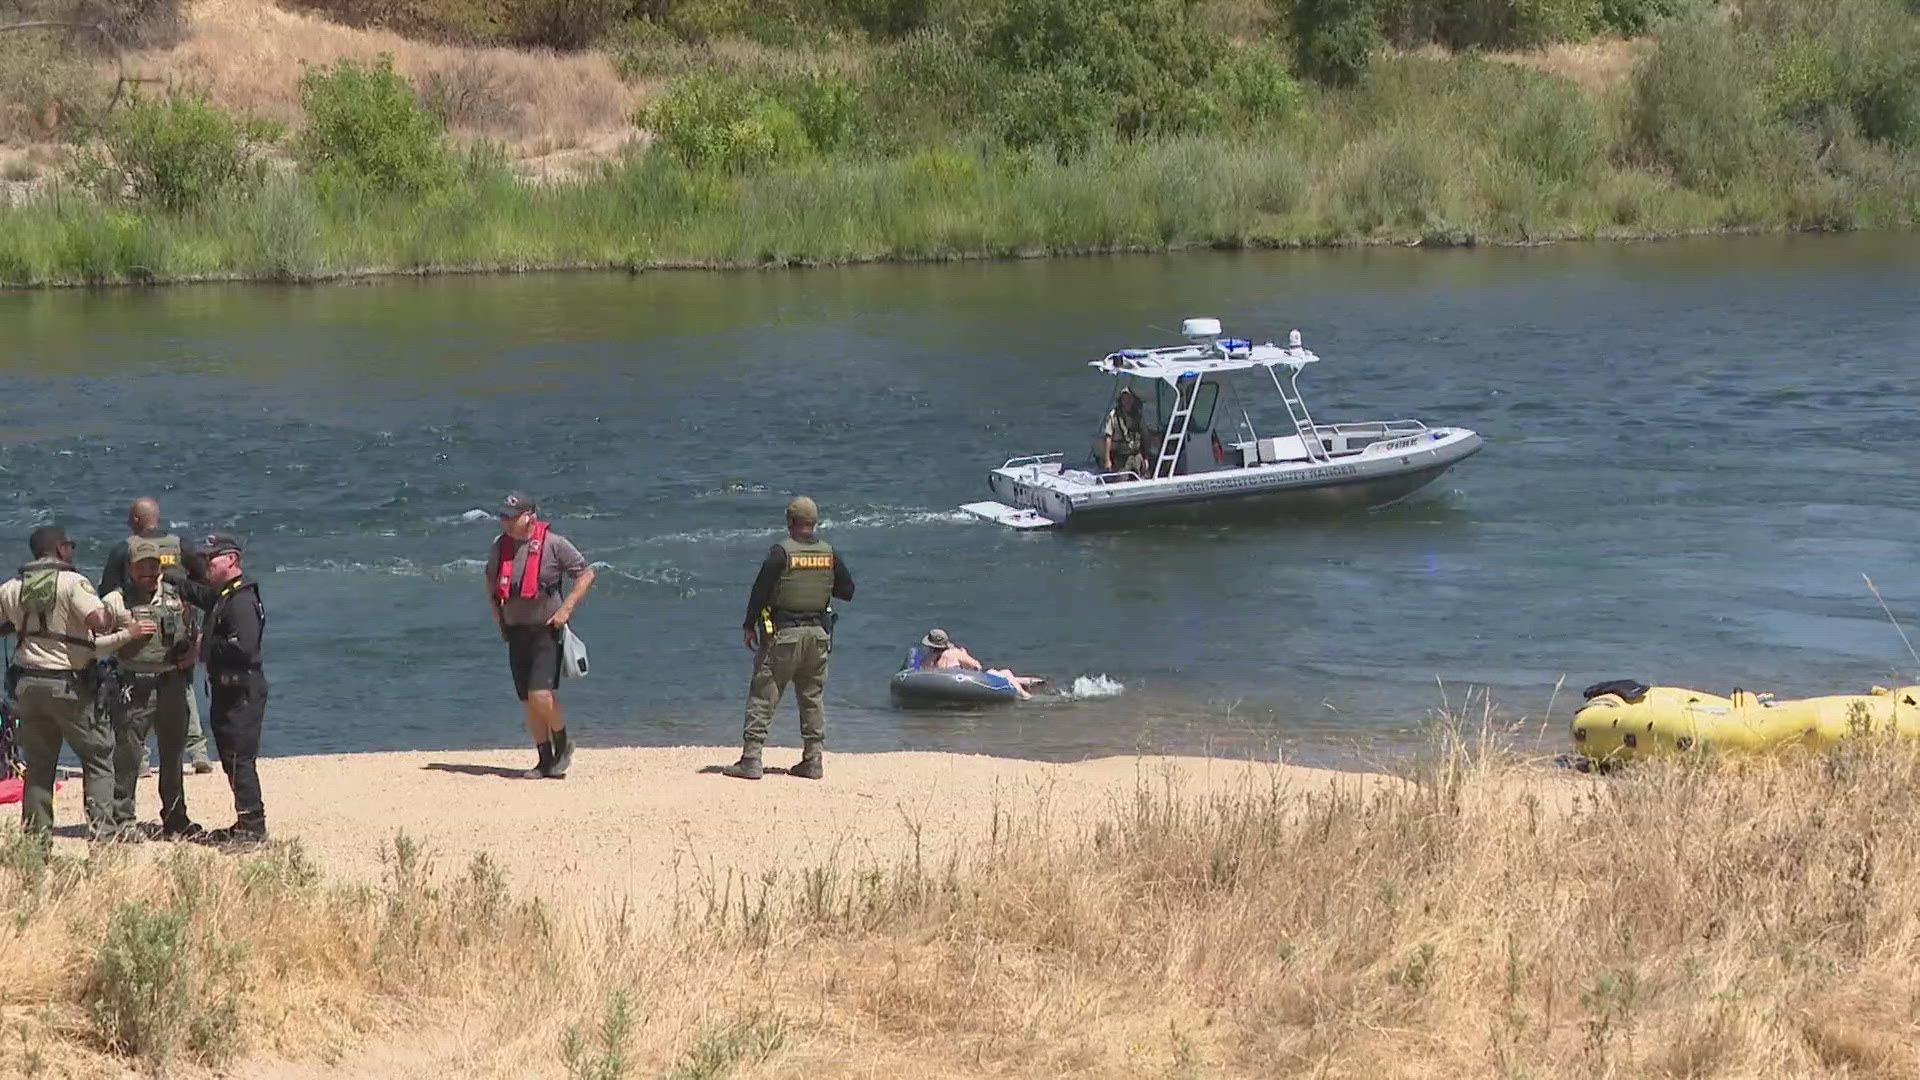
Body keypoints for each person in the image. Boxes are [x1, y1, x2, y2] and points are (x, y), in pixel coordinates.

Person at [0, 526, 127, 845]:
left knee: (39, 769)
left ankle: (35, 845)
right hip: (69, 684)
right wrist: (112, 608)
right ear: (59, 549)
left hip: (27, 685)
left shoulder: (12, 587)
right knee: (98, 759)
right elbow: (99, 623)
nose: (72, 550)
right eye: (70, 545)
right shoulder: (73, 583)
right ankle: (104, 840)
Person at [724, 496, 853, 781]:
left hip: (784, 636)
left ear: (790, 522)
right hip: (819, 636)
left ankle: (752, 759)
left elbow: (759, 592)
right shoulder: (828, 553)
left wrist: (748, 626)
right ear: (814, 523)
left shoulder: (781, 553)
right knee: (812, 698)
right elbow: (847, 590)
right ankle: (813, 759)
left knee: (764, 695)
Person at [485, 492, 594, 780]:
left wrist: (566, 610)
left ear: (529, 516)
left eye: (511, 517)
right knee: (527, 700)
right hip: (515, 630)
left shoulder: (554, 544)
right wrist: (498, 618)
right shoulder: (500, 547)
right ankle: (544, 760)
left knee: (541, 695)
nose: (505, 522)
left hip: (547, 629)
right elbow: (490, 582)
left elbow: (586, 575)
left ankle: (563, 743)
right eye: (503, 517)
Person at [100, 497, 213, 775]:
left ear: (136, 519)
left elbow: (106, 590)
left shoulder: (125, 548)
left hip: (141, 625)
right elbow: (204, 585)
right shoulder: (181, 545)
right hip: (180, 623)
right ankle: (198, 752)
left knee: (138, 690)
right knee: (181, 686)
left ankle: (140, 759)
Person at [101, 536, 202, 839]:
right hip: (134, 686)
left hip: (172, 683)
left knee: (173, 755)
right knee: (128, 757)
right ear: (129, 568)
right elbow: (94, 644)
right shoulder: (115, 602)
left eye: (153, 565)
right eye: (141, 566)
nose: (148, 572)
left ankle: (175, 819)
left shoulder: (176, 596)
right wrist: (126, 635)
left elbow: (198, 626)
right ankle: (123, 821)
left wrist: (191, 653)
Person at [172, 532, 269, 847]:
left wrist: (204, 646)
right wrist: (168, 579)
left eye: (211, 558)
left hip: (241, 692)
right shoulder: (225, 595)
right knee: (231, 759)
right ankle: (244, 822)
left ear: (231, 559)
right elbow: (200, 595)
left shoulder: (241, 600)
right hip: (228, 691)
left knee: (240, 760)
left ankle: (253, 829)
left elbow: (244, 648)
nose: (206, 564)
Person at [917, 628, 1045, 700]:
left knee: (997, 673)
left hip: (938, 688)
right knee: (1003, 672)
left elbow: (922, 672)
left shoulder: (927, 658)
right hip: (962, 686)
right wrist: (964, 655)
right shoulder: (953, 653)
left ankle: (1024, 682)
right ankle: (1025, 695)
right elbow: (977, 666)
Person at [1101, 387, 1150, 476]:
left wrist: (1146, 458)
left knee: (1143, 476)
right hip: (1121, 456)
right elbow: (1108, 438)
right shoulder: (1113, 415)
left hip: (1136, 455)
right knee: (1122, 478)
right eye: (1124, 399)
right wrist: (1107, 460)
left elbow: (1145, 436)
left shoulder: (1137, 416)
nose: (1127, 401)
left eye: (1129, 398)